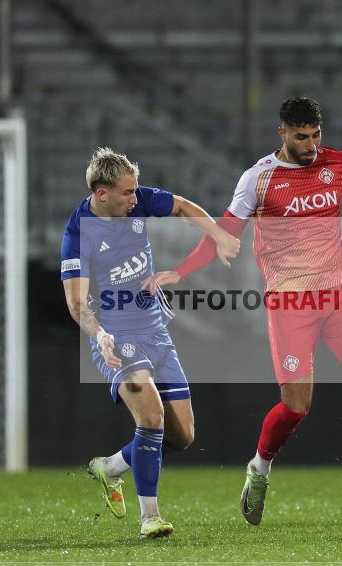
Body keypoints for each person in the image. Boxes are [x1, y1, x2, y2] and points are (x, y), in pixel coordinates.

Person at [145, 97, 342, 532]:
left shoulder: (337, 163)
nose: (310, 145)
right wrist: (180, 271)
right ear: (282, 134)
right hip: (290, 304)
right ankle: (259, 468)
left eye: (315, 136)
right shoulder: (258, 179)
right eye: (301, 137)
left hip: (339, 294)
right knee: (297, 406)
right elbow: (224, 230)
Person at [60, 147, 239, 539]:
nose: (135, 198)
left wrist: (219, 234)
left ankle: (109, 469)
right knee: (152, 418)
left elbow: (181, 207)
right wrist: (101, 334)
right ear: (102, 193)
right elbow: (76, 303)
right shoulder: (78, 234)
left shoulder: (137, 202)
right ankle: (150, 517)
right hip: (116, 337)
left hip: (156, 331)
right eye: (127, 192)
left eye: (136, 190)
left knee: (182, 437)